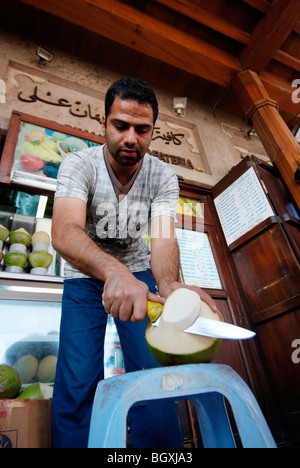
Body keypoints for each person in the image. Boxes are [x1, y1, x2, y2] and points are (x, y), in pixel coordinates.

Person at [51, 77, 219, 448]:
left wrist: (168, 284)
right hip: (84, 276)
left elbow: (162, 236)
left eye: (142, 130)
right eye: (120, 126)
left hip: (140, 272)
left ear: (153, 131)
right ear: (104, 123)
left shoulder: (163, 176)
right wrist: (113, 271)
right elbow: (64, 231)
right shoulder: (79, 164)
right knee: (78, 377)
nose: (131, 138)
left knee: (151, 371)